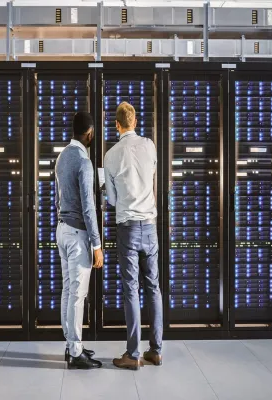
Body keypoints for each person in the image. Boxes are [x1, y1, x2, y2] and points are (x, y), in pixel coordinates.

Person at [104, 102, 163, 370]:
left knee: (131, 289)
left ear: (117, 125)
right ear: (135, 121)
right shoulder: (149, 146)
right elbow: (151, 175)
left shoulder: (111, 155)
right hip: (150, 226)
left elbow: (113, 201)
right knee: (153, 287)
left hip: (128, 228)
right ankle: (156, 350)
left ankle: (133, 353)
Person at [55, 111, 104, 369]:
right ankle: (75, 352)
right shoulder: (84, 163)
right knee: (77, 295)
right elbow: (89, 207)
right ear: (90, 133)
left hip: (62, 230)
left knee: (67, 290)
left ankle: (70, 344)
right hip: (77, 235)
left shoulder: (61, 157)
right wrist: (96, 244)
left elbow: (57, 198)